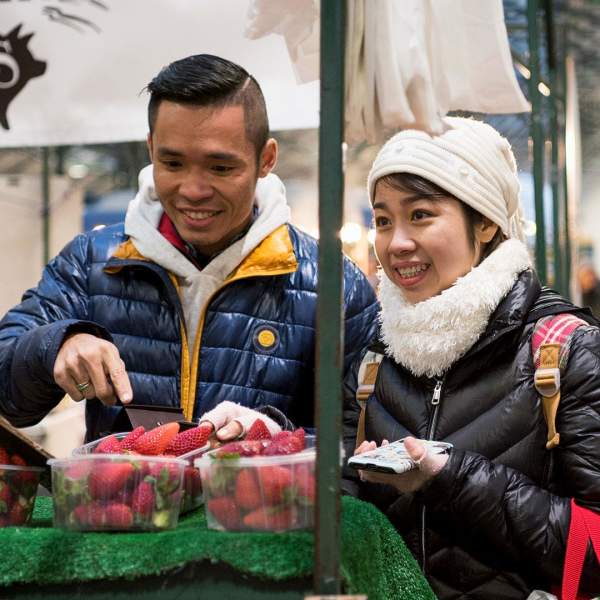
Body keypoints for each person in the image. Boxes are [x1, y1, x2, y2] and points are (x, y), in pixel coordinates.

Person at [0, 54, 378, 442]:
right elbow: (10, 396)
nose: (193, 191)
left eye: (220, 168)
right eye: (173, 163)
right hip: (125, 501)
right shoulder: (91, 263)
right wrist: (56, 345)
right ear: (151, 149)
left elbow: (362, 439)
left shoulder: (333, 285)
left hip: (263, 502)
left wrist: (275, 440)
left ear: (266, 159)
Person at [343, 117, 600, 599]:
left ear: (484, 222)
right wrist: (278, 442)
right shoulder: (375, 359)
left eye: (420, 214)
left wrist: (450, 476)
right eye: (382, 220)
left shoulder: (565, 351)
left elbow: (593, 551)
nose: (396, 242)